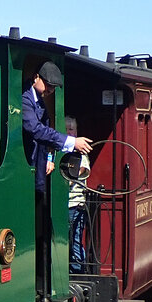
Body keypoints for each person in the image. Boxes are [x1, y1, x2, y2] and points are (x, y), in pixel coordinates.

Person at [22, 61, 93, 302]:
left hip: (39, 171)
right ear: (36, 78)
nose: (50, 91)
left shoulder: (38, 101)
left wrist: (51, 156)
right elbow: (35, 130)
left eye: (53, 88)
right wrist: (72, 143)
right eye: (49, 86)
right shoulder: (25, 100)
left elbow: (46, 133)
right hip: (28, 172)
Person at [64, 116, 91, 274]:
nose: (69, 131)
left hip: (75, 205)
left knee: (74, 240)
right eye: (66, 128)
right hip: (63, 205)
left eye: (71, 129)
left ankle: (78, 272)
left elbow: (76, 173)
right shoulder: (59, 150)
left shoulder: (80, 153)